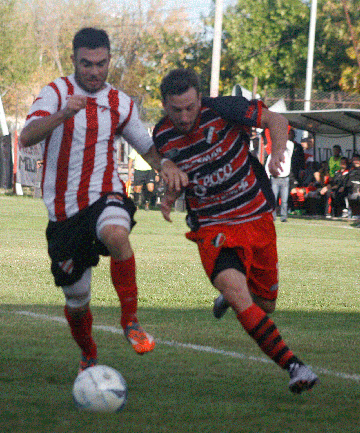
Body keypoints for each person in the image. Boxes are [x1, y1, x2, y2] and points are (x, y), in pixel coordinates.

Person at [19, 27, 188, 372]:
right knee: (77, 300)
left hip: (105, 194)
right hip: (64, 211)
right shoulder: (55, 92)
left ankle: (131, 321)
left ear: (110, 60)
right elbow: (26, 137)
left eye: (100, 63)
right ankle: (89, 353)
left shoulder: (120, 102)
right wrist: (63, 114)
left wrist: (166, 165)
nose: (94, 71)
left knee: (116, 234)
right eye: (86, 64)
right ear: (74, 60)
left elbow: (146, 146)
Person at [154, 68, 318, 394]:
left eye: (190, 108)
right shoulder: (163, 135)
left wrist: (278, 151)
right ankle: (294, 366)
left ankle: (229, 296)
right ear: (164, 106)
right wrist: (169, 195)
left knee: (266, 304)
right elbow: (177, 171)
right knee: (239, 293)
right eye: (176, 110)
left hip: (255, 216)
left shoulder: (224, 109)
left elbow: (277, 121)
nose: (184, 117)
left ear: (200, 99)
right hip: (212, 226)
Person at [265, 126, 296, 222]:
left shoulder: (288, 151)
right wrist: (267, 176)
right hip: (275, 178)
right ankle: (273, 216)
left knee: (284, 200)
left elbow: (289, 145)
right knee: (273, 199)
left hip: (285, 178)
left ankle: (283, 217)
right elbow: (267, 165)